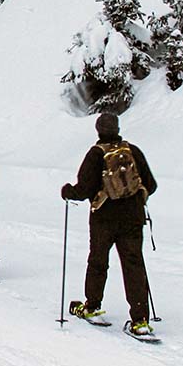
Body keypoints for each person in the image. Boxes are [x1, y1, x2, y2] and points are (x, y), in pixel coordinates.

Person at [61, 111, 157, 334]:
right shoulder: (132, 151)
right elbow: (150, 184)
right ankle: (140, 319)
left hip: (104, 218)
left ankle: (92, 306)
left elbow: (83, 189)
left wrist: (68, 191)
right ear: (117, 128)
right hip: (133, 217)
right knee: (133, 265)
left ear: (98, 130)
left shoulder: (96, 154)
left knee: (98, 261)